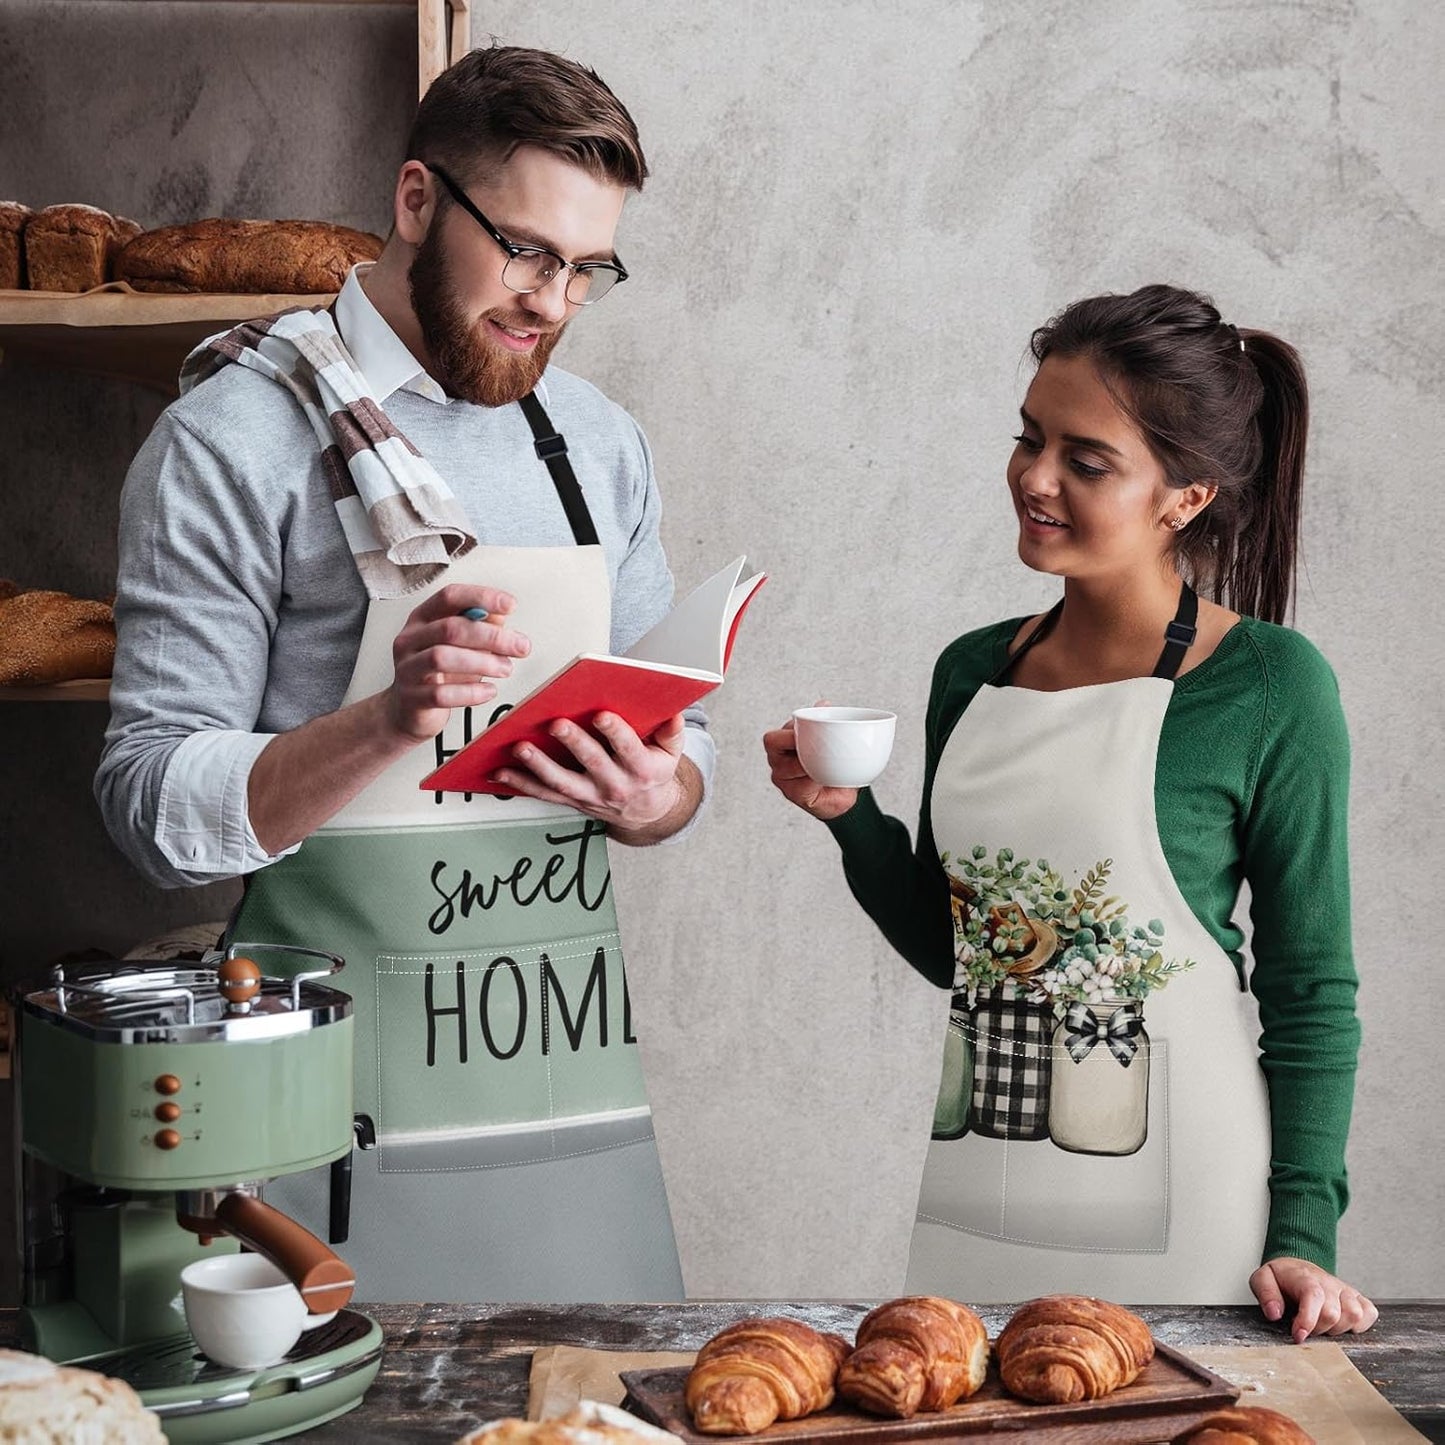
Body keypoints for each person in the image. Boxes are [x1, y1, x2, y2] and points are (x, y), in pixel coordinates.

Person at [96, 46, 710, 1302]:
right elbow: (148, 805)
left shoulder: (597, 442)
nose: (552, 302)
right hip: (328, 1103)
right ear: (419, 199)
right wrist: (387, 718)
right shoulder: (231, 438)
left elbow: (681, 744)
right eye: (526, 252)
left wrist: (658, 793)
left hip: (561, 1082)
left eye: (586, 268)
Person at [764, 284, 1377, 1339]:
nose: (1034, 478)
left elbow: (1310, 988)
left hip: (1192, 1204)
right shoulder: (971, 669)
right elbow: (963, 958)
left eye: (1085, 462)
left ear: (1183, 497)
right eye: (1028, 438)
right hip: (977, 1182)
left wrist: (1303, 1235)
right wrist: (850, 821)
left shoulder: (1271, 685)